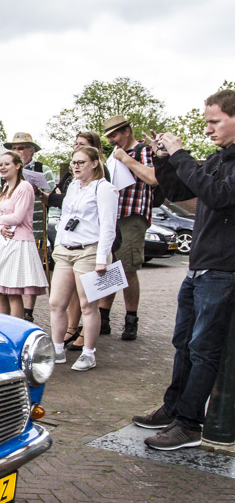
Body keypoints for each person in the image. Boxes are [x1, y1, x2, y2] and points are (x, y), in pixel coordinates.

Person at [131, 89, 235, 450]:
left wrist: (180, 152)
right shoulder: (218, 158)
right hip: (200, 267)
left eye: (214, 121)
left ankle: (190, 424)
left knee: (204, 349)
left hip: (223, 270)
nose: (208, 129)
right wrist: (164, 160)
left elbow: (218, 195)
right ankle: (174, 408)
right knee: (183, 344)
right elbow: (178, 191)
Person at [48, 146, 118, 372]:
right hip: (66, 249)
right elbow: (66, 216)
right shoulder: (73, 187)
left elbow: (109, 226)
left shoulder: (104, 188)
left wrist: (101, 259)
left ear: (94, 163)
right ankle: (57, 348)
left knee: (88, 304)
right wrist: (58, 243)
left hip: (90, 250)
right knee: (56, 302)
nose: (75, 166)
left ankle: (89, 353)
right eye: (73, 163)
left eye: (80, 162)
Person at [99, 115, 157, 341]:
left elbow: (152, 178)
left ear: (126, 131)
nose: (112, 140)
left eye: (114, 135)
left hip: (132, 217)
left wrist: (125, 159)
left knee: (128, 268)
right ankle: (103, 318)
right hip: (112, 218)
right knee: (110, 267)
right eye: (109, 136)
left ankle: (131, 319)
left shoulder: (141, 151)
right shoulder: (113, 154)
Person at [0, 152, 48, 317]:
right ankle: (3, 327)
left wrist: (1, 219)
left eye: (7, 164)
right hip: (4, 242)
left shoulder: (24, 187)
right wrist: (0, 227)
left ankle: (16, 331)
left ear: (17, 165)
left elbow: (18, 216)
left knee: (13, 292)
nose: (3, 167)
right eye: (1, 164)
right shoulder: (4, 188)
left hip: (19, 243)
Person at [3, 132, 43, 320]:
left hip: (35, 227)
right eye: (15, 148)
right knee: (11, 278)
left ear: (31, 150)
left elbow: (54, 195)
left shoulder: (43, 169)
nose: (18, 151)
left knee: (30, 272)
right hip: (11, 232)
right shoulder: (7, 172)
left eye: (21, 148)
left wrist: (40, 192)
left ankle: (28, 312)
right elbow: (1, 201)